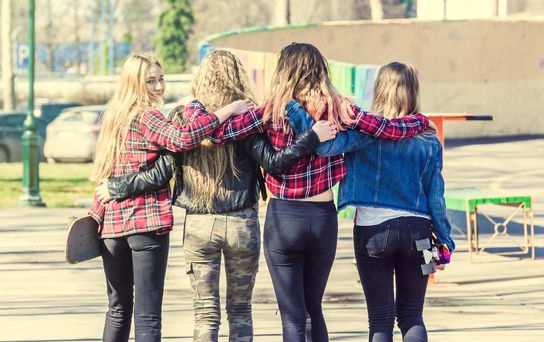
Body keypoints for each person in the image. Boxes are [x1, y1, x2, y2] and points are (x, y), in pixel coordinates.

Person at [182, 43, 432, 342]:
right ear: (321, 70)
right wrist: (419, 121)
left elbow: (217, 133)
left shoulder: (269, 110)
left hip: (284, 217)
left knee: (293, 317)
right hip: (324, 218)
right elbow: (385, 128)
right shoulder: (339, 109)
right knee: (315, 309)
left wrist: (196, 106)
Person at [93, 50, 337, 342]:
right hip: (242, 223)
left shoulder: (185, 118)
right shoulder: (248, 118)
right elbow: (272, 161)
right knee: (240, 311)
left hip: (199, 224)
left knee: (205, 313)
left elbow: (167, 165)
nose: (159, 86)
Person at [88, 52, 252, 342]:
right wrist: (226, 111)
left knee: (117, 309)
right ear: (134, 83)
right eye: (150, 81)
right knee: (148, 315)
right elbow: (183, 138)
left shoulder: (113, 118)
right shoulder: (147, 116)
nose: (159, 87)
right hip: (145, 224)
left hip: (111, 226)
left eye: (161, 79)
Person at [286, 61, 455, 342]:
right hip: (420, 235)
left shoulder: (365, 133)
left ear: (379, 90)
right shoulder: (429, 137)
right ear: (413, 93)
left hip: (373, 232)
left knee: (380, 319)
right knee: (413, 314)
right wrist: (446, 242)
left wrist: (295, 110)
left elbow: (324, 146)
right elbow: (436, 195)